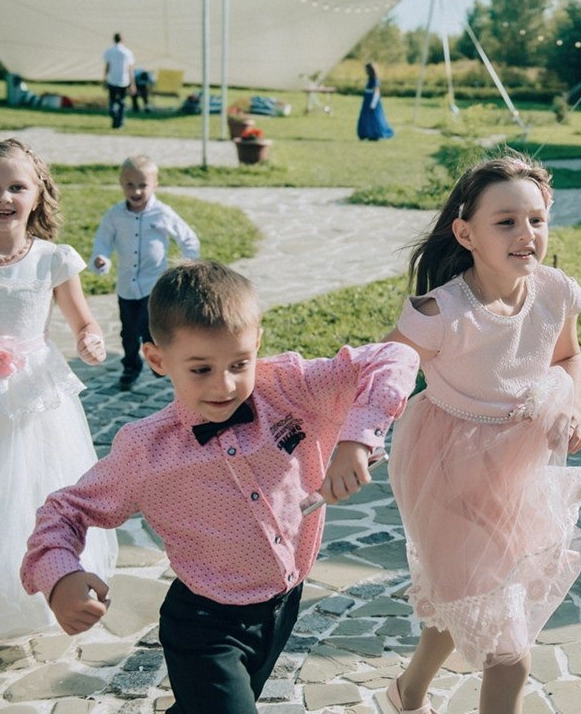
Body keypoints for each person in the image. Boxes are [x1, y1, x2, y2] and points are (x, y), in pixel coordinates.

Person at [21, 261, 419, 712]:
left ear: (257, 343)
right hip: (203, 627)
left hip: (283, 606)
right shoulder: (145, 450)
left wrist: (356, 441)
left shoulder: (290, 388)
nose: (225, 385)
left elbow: (395, 356)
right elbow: (64, 511)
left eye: (238, 364)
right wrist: (60, 577)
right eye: (201, 369)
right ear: (158, 360)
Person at [382, 152, 581, 714]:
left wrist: (571, 406)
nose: (526, 234)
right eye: (505, 222)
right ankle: (412, 694)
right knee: (508, 650)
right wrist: (357, 440)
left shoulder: (554, 292)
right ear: (466, 234)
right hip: (445, 475)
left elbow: (568, 356)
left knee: (464, 599)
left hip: (514, 476)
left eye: (536, 219)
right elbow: (383, 375)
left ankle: (406, 694)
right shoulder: (443, 312)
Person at [0, 138, 117, 652]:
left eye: (16, 187)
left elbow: (84, 321)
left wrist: (90, 339)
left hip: (34, 395)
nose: (4, 197)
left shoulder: (53, 260)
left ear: (37, 195)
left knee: (30, 496)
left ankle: (29, 591)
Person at [91, 155, 201, 390]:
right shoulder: (115, 215)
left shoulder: (162, 213)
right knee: (128, 332)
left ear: (155, 185)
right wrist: (101, 259)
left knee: (149, 328)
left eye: (143, 185)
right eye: (130, 185)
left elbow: (188, 239)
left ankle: (158, 363)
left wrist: (187, 265)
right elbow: (103, 241)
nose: (136, 191)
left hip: (153, 285)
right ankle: (131, 366)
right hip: (126, 287)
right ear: (121, 184)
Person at [103, 32, 135, 130]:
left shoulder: (109, 51)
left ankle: (115, 119)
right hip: (123, 80)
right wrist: (132, 83)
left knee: (112, 101)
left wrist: (105, 79)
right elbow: (130, 69)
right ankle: (120, 123)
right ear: (122, 40)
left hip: (112, 79)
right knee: (121, 102)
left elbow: (107, 67)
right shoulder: (127, 52)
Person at [357, 61, 395, 141]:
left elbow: (376, 93)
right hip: (367, 101)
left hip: (372, 102)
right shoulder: (369, 79)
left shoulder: (375, 80)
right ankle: (365, 133)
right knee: (365, 117)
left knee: (374, 118)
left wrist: (373, 104)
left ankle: (375, 134)